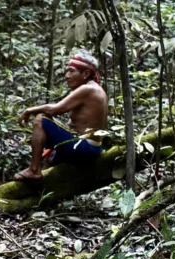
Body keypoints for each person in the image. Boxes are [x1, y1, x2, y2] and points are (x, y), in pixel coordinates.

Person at [14, 51, 108, 182]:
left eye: (71, 71)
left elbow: (55, 110)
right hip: (90, 147)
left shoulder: (88, 89)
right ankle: (43, 189)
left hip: (84, 147)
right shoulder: (94, 89)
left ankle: (34, 170)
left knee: (41, 119)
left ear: (85, 74)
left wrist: (29, 110)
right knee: (50, 159)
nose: (67, 76)